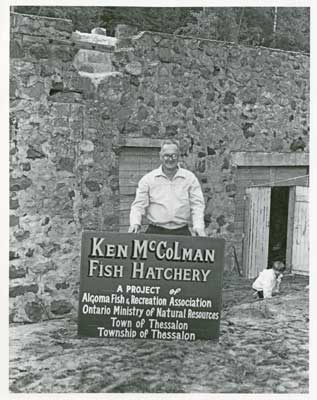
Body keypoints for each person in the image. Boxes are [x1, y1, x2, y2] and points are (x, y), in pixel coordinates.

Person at [128, 139, 206, 236]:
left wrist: (198, 227)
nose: (170, 159)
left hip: (181, 232)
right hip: (155, 232)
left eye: (174, 155)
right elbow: (138, 206)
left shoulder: (190, 179)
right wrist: (135, 223)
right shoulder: (148, 179)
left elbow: (197, 205)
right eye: (166, 155)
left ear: (178, 156)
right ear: (161, 156)